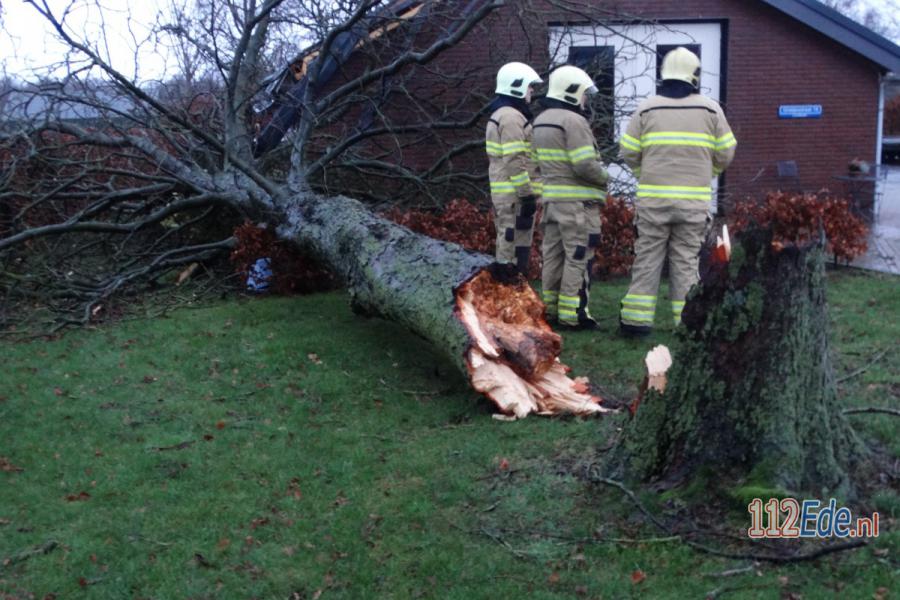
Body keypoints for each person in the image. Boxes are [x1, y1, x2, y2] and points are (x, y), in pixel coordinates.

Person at [618, 47, 737, 336]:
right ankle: (685, 323)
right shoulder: (710, 109)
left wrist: (643, 174)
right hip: (692, 203)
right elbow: (726, 152)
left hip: (653, 202)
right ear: (695, 76)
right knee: (685, 261)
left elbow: (628, 151)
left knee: (647, 258)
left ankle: (635, 323)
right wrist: (707, 174)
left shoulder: (647, 108)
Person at [532, 65, 608, 329]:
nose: (585, 99)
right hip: (578, 206)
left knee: (552, 257)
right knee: (578, 257)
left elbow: (534, 165)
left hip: (552, 203)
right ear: (572, 91)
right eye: (584, 93)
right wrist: (604, 176)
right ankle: (572, 314)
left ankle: (550, 310)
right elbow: (584, 165)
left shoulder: (540, 120)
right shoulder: (574, 121)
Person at [485, 62, 543, 274]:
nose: (532, 90)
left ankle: (510, 293)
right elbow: (515, 160)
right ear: (516, 86)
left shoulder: (504, 114)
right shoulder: (511, 118)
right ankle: (512, 295)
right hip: (515, 197)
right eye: (529, 86)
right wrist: (527, 195)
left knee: (508, 245)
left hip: (508, 195)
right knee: (512, 253)